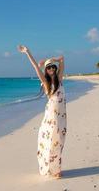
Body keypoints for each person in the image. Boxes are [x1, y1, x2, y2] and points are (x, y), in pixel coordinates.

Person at [17, 45, 67, 179]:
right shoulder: (45, 82)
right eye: (48, 67)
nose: (51, 69)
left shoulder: (60, 79)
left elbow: (62, 60)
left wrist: (53, 59)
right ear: (46, 70)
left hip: (61, 116)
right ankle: (53, 170)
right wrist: (27, 52)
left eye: (53, 67)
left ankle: (56, 168)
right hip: (51, 117)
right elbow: (35, 67)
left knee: (59, 142)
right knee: (50, 141)